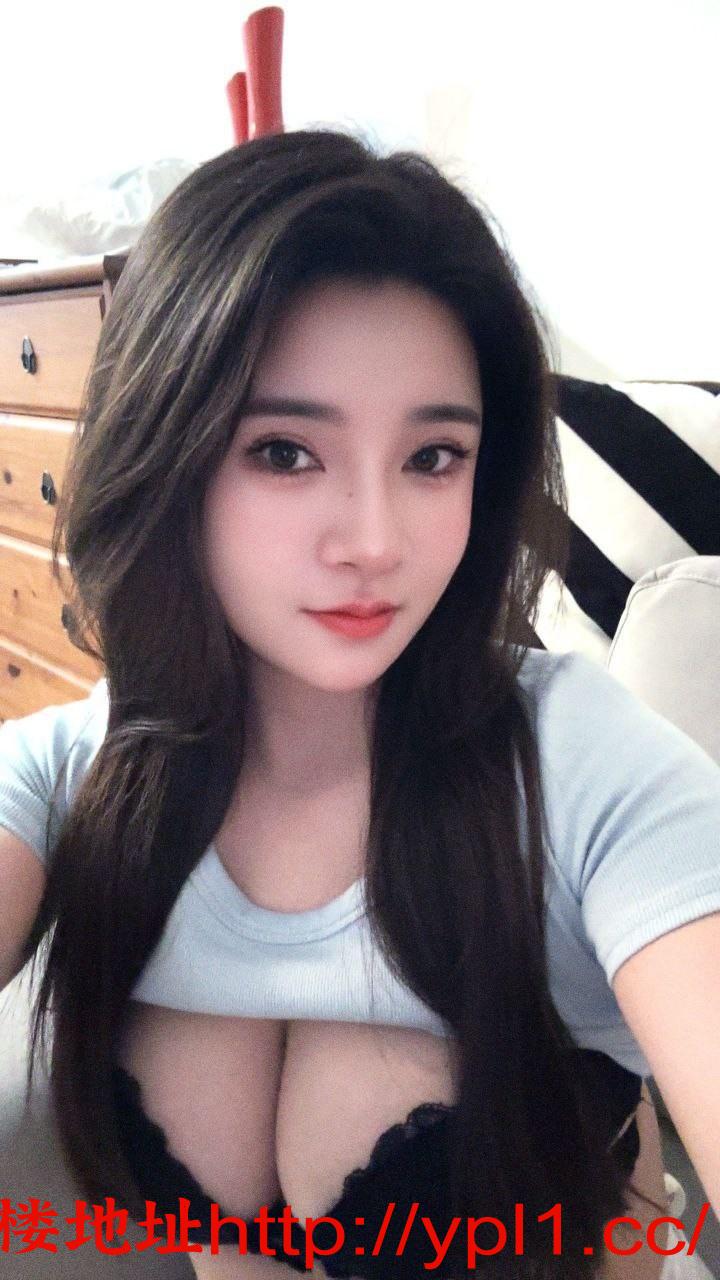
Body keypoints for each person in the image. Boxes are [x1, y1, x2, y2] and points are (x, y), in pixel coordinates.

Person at [1, 127, 719, 1280]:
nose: (376, 542)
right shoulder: (77, 775)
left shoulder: (584, 767)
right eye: (286, 451)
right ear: (166, 450)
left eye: (433, 457)